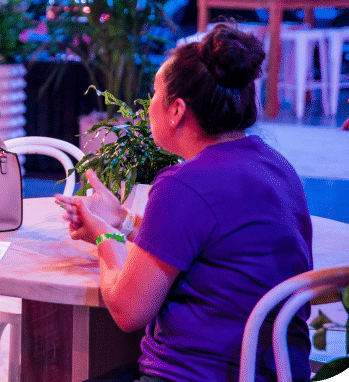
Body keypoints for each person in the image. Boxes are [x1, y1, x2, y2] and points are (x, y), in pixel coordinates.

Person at [56, 24, 312, 382]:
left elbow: (129, 311)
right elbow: (214, 246)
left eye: (155, 93)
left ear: (176, 109)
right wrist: (124, 222)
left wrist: (104, 237)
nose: (148, 106)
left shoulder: (183, 185)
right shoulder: (276, 166)